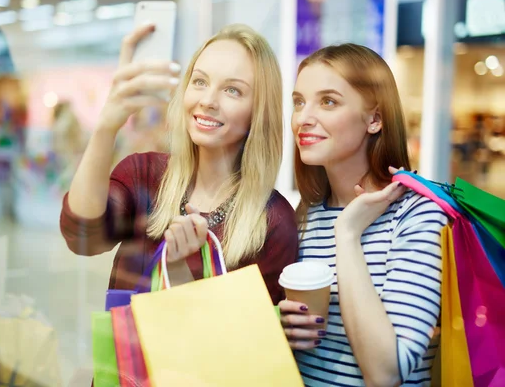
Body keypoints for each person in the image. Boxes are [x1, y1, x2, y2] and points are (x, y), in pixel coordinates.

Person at [59, 23, 298, 304]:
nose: (208, 100)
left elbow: (254, 338)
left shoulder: (273, 220)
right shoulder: (145, 175)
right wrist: (106, 126)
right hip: (129, 349)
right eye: (200, 81)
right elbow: (83, 239)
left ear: (258, 112)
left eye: (232, 90)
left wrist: (181, 268)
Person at [280, 43, 448, 386]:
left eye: (328, 101)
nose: (303, 118)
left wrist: (348, 234)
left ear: (374, 118)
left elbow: (387, 373)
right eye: (299, 101)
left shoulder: (418, 213)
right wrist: (282, 324)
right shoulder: (306, 213)